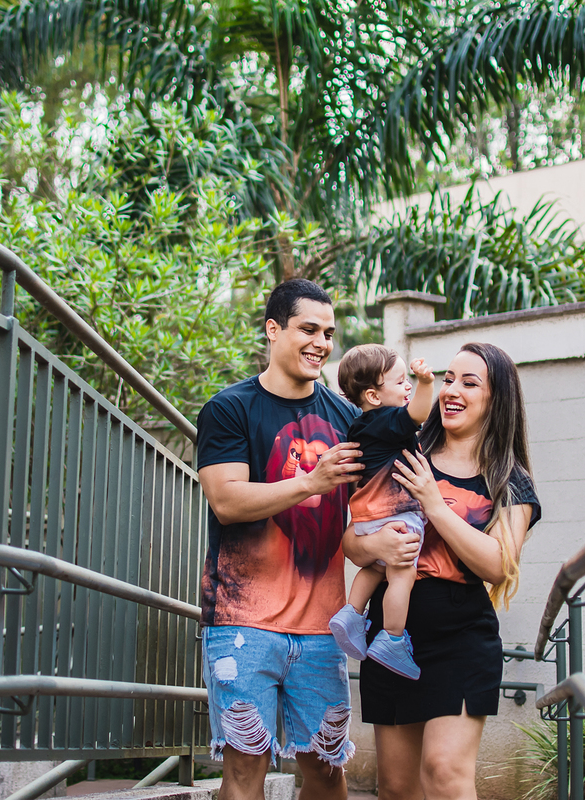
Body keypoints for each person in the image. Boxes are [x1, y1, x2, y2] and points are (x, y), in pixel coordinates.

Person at [196, 278, 371, 800]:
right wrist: (311, 482)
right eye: (308, 329)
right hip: (241, 624)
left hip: (322, 629)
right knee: (245, 770)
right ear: (273, 330)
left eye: (329, 332)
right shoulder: (229, 409)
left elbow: (360, 522)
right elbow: (226, 500)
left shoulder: (348, 419)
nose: (321, 342)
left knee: (325, 768)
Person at [343, 342, 542, 800]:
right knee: (396, 788)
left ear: (497, 400)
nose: (451, 390)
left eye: (469, 383)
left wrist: (435, 503)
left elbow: (498, 564)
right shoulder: (403, 446)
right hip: (393, 636)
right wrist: (378, 545)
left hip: (461, 637)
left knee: (445, 772)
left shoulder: (509, 479)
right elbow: (352, 543)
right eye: (448, 378)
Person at [329, 344, 434, 679]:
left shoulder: (361, 426)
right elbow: (418, 413)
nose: (407, 387)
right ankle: (392, 637)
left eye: (408, 381)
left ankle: (352, 613)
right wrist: (426, 382)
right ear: (373, 396)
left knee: (375, 569)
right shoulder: (389, 421)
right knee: (401, 574)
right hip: (396, 513)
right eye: (401, 381)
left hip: (366, 520)